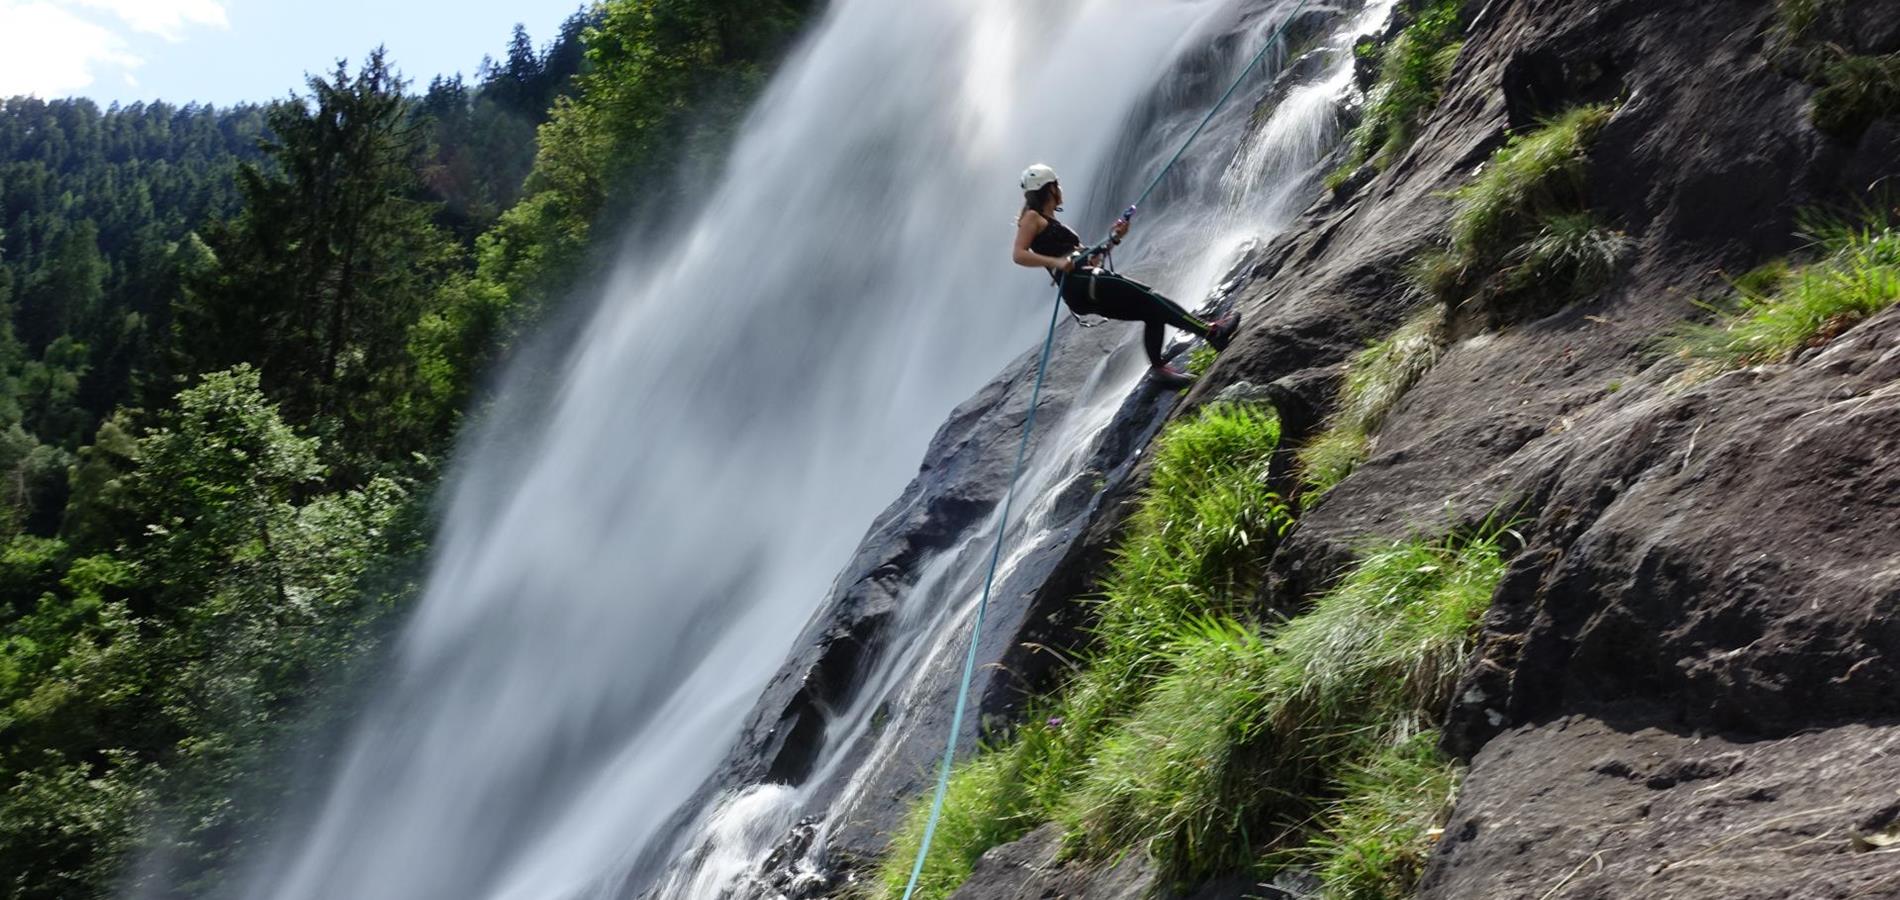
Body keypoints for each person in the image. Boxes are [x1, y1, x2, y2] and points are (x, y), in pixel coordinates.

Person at [1011, 163, 1239, 389]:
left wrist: (1116, 238)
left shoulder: (1052, 223)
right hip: (1080, 282)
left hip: (1084, 285)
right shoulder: (1032, 217)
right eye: (1057, 184)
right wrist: (1056, 262)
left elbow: (1091, 259)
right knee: (1153, 298)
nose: (1060, 189)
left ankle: (1159, 369)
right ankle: (1211, 332)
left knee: (1152, 312)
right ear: (1050, 188)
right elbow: (1018, 254)